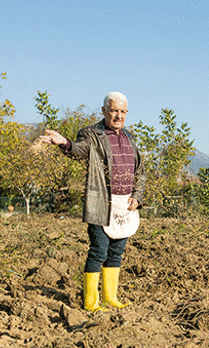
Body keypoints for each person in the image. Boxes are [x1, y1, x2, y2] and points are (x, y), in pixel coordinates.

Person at [38, 91, 145, 312]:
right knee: (99, 251)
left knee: (116, 253)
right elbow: (79, 150)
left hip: (125, 205)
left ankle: (110, 297)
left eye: (123, 111)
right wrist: (65, 143)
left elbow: (140, 171)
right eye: (114, 110)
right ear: (104, 110)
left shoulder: (130, 137)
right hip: (102, 203)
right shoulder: (92, 134)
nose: (119, 116)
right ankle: (91, 302)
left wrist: (138, 196)